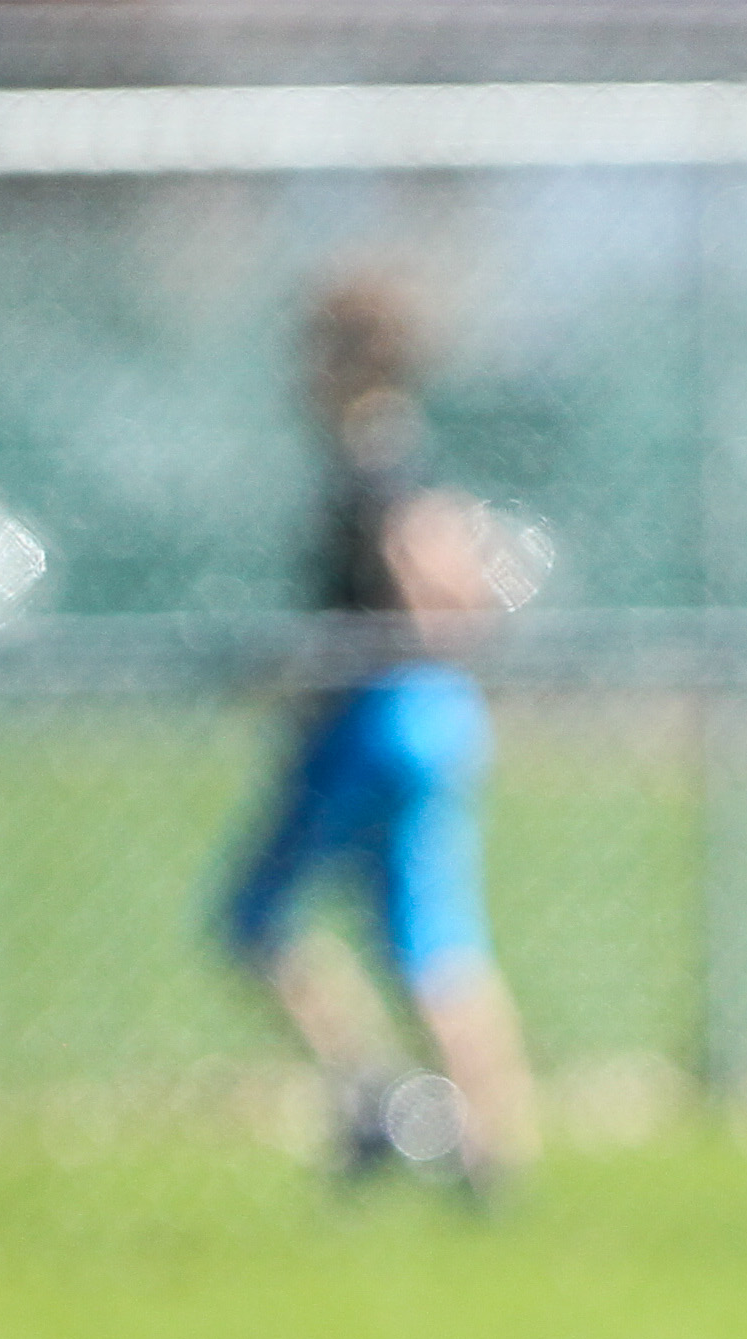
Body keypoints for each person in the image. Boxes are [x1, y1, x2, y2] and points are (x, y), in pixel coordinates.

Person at [216, 275, 540, 1198]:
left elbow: (431, 566)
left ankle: (378, 1100)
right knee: (434, 942)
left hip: (376, 718)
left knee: (256, 916)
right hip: (435, 714)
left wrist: (359, 653)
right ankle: (491, 1151)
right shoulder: (408, 454)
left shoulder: (374, 459)